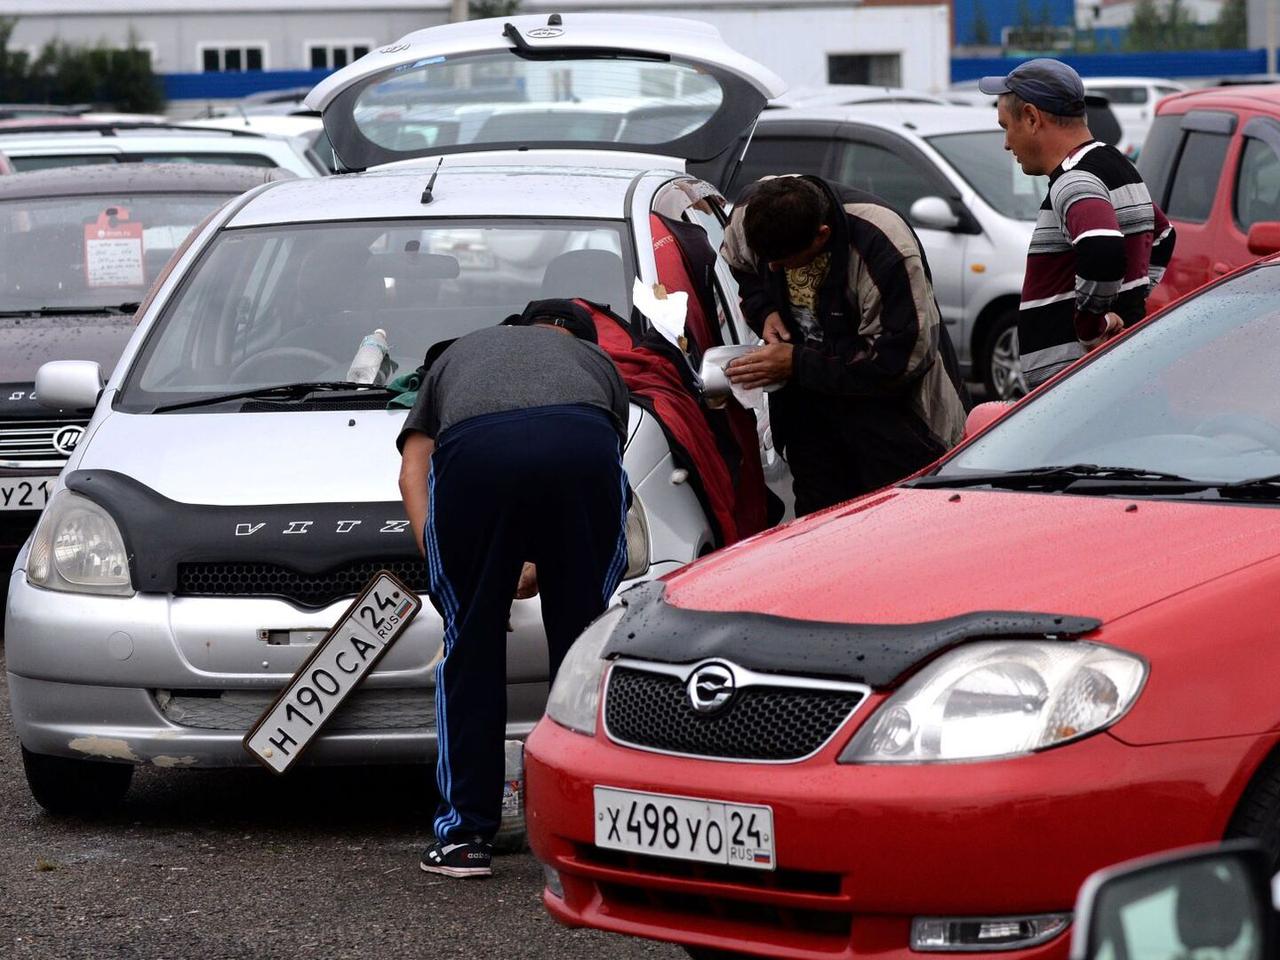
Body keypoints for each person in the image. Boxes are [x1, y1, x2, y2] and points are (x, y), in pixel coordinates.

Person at [397, 298, 629, 878]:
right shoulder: (594, 363)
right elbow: (598, 475)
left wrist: (460, 575)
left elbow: (413, 471)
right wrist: (542, 562)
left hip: (479, 451)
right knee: (585, 647)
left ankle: (464, 837)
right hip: (582, 441)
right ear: (579, 338)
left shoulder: (459, 353)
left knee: (470, 647)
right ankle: (595, 834)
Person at [721, 174, 966, 515]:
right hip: (808, 418)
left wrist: (796, 363)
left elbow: (901, 360)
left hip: (895, 425)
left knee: (894, 529)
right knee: (820, 528)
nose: (774, 269)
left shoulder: (884, 246)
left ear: (822, 236)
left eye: (785, 261)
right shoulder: (749, 216)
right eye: (768, 262)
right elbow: (740, 264)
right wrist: (766, 310)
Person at [978, 58, 1176, 388]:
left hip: (1079, 389)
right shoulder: (1118, 165)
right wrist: (1128, 304)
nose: (1006, 143)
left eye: (1005, 127)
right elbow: (1164, 236)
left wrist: (1091, 326)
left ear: (1030, 118)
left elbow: (1101, 249)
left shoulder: (1073, 180)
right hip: (1114, 375)